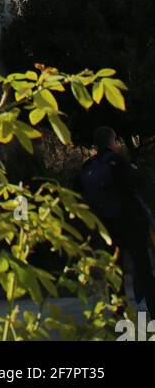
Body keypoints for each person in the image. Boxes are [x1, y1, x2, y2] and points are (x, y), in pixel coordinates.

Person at [80, 125, 155, 312]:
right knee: (143, 267)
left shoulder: (88, 167)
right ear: (112, 142)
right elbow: (137, 184)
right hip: (130, 222)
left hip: (107, 225)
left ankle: (119, 313)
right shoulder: (118, 161)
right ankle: (153, 310)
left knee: (116, 270)